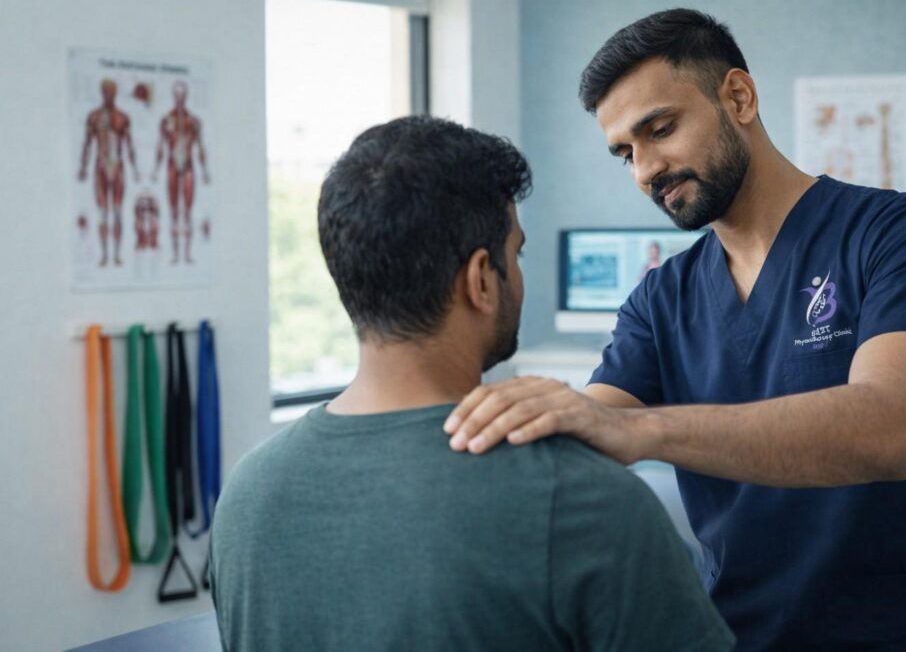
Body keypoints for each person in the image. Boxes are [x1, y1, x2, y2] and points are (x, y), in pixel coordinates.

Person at [444, 9, 906, 650]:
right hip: (739, 637)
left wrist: (640, 430)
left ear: (738, 96)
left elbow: (890, 430)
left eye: (661, 129)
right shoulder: (660, 298)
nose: (645, 170)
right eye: (626, 152)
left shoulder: (901, 233)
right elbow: (587, 433)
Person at [209, 116, 734, 652]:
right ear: (481, 280)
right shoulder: (584, 503)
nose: (520, 273)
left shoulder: (247, 498)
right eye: (516, 254)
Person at [77, 78, 140, 267]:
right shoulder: (93, 117)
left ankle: (117, 255)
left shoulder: (123, 117)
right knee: (103, 212)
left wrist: (135, 168)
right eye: (106, 91)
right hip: (101, 166)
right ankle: (105, 255)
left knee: (119, 212)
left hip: (119, 167)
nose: (109, 94)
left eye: (112, 91)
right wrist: (83, 167)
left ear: (116, 93)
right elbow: (87, 143)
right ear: (101, 92)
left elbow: (129, 144)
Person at [152, 80, 209, 264]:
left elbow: (200, 147)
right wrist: (155, 170)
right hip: (172, 168)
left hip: (189, 168)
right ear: (173, 96)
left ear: (186, 96)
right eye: (176, 95)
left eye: (182, 94)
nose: (179, 98)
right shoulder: (166, 120)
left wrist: (205, 171)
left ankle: (188, 254)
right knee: (174, 211)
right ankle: (175, 254)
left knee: (188, 212)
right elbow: (160, 147)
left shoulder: (194, 122)